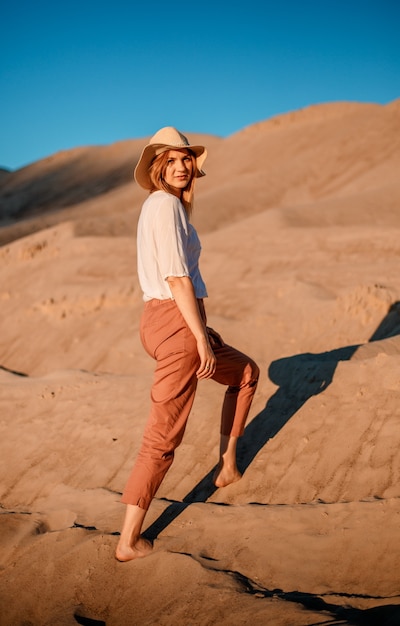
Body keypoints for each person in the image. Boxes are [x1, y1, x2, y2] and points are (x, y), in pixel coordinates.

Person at [115, 127, 259, 562]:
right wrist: (201, 339)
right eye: (171, 160)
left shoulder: (165, 207)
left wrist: (202, 334)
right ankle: (127, 542)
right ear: (158, 166)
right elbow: (176, 277)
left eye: (186, 159)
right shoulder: (165, 207)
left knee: (246, 372)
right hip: (178, 324)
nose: (181, 166)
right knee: (162, 437)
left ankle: (227, 467)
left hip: (167, 321)